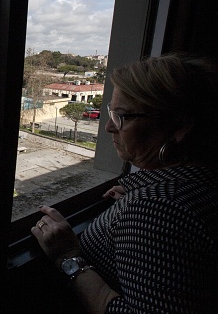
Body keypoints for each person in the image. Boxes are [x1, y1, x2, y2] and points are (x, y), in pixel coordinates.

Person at [31, 53, 218, 313]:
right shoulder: (194, 182)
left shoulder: (160, 211)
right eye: (111, 112)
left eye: (122, 116)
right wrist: (139, 197)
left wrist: (67, 257)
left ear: (179, 126)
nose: (108, 126)